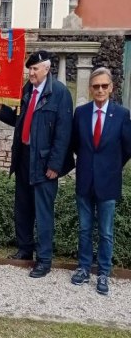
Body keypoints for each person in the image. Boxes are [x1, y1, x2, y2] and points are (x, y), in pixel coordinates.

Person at [0, 51, 74, 278]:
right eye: (29, 69)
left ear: (47, 69)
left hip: (45, 162)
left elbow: (63, 133)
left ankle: (45, 259)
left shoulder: (59, 93)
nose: (30, 72)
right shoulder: (27, 90)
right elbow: (20, 120)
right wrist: (1, 111)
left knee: (43, 212)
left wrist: (55, 165)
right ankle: (25, 249)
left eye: (35, 69)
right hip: (24, 158)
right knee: (23, 208)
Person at [70, 67, 131, 295]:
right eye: (96, 86)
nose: (100, 90)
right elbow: (76, 144)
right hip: (85, 179)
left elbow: (127, 147)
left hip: (108, 182)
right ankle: (84, 268)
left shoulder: (122, 114)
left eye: (104, 86)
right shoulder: (82, 113)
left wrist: (111, 166)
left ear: (111, 88)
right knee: (85, 229)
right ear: (90, 88)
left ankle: (104, 272)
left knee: (106, 231)